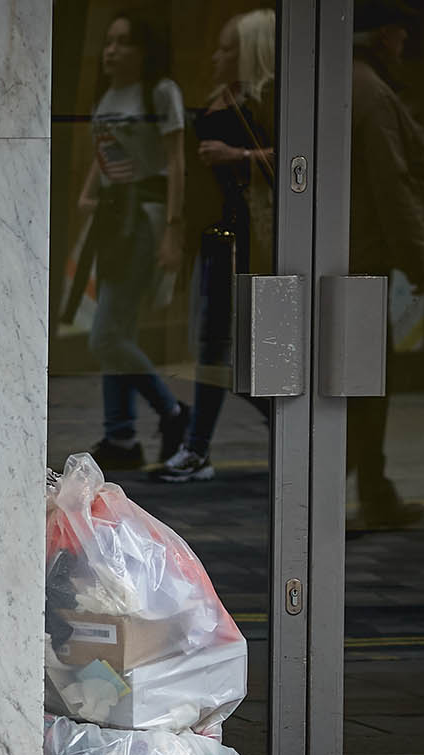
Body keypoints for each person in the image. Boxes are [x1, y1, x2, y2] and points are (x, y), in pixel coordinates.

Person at [155, 7, 277, 484]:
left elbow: (299, 158)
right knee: (211, 346)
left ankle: (206, 446)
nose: (216, 55)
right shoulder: (219, 98)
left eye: (229, 48)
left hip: (254, 239)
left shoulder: (267, 99)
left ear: (251, 52)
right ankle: (197, 448)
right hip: (216, 237)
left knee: (239, 353)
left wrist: (239, 156)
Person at [73, 10, 192, 472]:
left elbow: (176, 162)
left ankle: (173, 411)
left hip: (144, 216)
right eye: (108, 41)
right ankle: (120, 435)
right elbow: (106, 152)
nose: (111, 50)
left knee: (106, 335)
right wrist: (89, 191)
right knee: (115, 332)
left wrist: (173, 230)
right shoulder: (110, 95)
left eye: (123, 41)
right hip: (113, 217)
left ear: (144, 50)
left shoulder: (160, 92)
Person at [346, 0, 424, 530]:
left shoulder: (347, 82)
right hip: (360, 266)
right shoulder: (375, 93)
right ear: (387, 35)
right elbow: (392, 186)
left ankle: (372, 492)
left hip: (345, 259)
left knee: (358, 388)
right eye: (403, 35)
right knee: (366, 389)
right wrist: (420, 258)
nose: (406, 46)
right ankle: (368, 495)